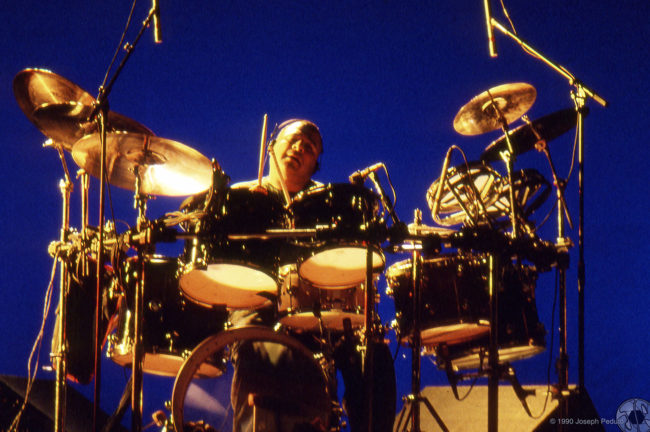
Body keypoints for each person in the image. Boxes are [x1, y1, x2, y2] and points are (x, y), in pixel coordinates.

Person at [228, 119, 395, 432]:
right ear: (271, 147)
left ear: (315, 163)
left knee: (375, 357)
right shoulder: (241, 196)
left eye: (309, 147)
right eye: (293, 140)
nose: (298, 149)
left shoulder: (325, 202)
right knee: (267, 352)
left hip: (320, 310)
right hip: (259, 308)